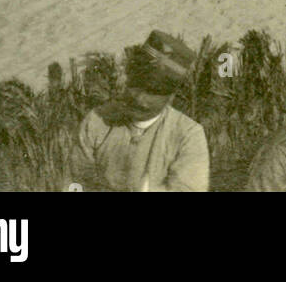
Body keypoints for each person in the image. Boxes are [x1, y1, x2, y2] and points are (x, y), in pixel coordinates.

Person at [70, 30, 209, 192]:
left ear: (170, 97)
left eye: (153, 92)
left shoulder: (187, 135)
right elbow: (76, 180)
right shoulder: (97, 121)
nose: (140, 99)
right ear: (126, 80)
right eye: (136, 85)